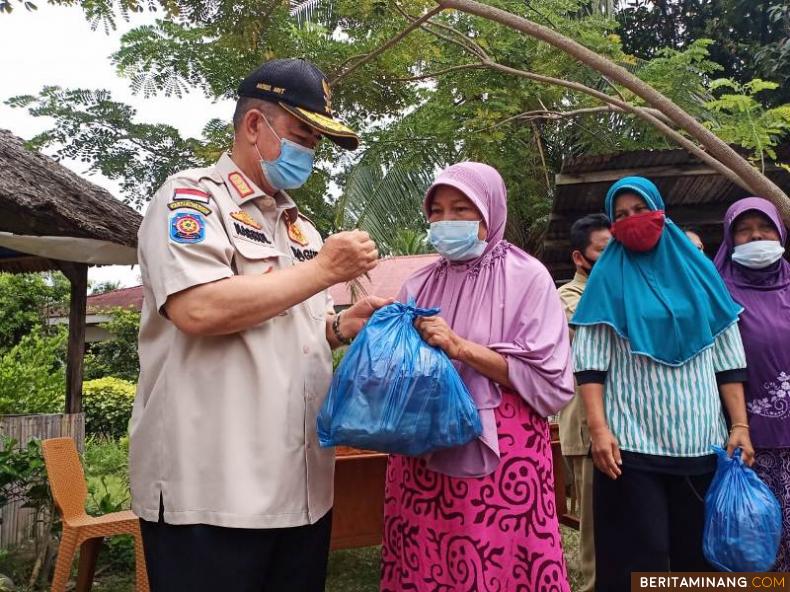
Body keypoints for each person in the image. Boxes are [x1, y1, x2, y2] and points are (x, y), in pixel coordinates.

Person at [131, 58, 388, 592]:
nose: (309, 153)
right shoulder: (193, 199)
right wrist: (323, 271)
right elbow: (198, 309)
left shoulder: (299, 228)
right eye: (302, 135)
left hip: (302, 491)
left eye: (317, 142)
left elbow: (289, 330)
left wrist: (339, 327)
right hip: (213, 494)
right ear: (254, 126)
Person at [380, 162, 575, 592]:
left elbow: (551, 380)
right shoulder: (419, 283)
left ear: (490, 212)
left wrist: (461, 347)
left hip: (504, 455)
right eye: (437, 211)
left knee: (500, 557)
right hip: (424, 452)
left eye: (461, 210)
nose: (446, 222)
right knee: (427, 558)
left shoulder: (528, 278)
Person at [571, 176, 754, 591]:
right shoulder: (607, 277)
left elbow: (728, 359)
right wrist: (598, 431)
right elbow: (590, 365)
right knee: (637, 563)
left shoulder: (700, 272)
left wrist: (739, 425)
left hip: (701, 442)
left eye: (640, 210)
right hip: (631, 448)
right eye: (621, 215)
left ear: (660, 210)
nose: (632, 220)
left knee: (698, 563)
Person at [714, 197, 790, 570]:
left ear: (781, 233)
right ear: (729, 239)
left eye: (765, 228)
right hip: (746, 444)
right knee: (754, 544)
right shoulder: (717, 293)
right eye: (744, 230)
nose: (756, 236)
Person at [557, 213, 611, 592]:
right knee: (595, 529)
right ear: (580, 258)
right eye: (603, 252)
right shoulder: (566, 299)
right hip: (585, 428)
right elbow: (596, 345)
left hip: (625, 426)